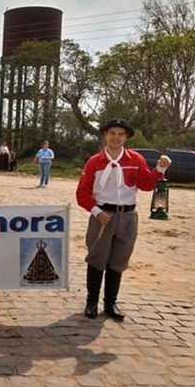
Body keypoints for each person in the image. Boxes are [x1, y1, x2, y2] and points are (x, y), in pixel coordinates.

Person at [76, 118, 172, 321]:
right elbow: (82, 193)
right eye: (112, 133)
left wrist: (160, 170)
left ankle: (111, 303)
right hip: (102, 215)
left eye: (120, 134)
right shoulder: (95, 162)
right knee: (96, 258)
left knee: (119, 260)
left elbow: (145, 184)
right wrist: (96, 211)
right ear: (105, 135)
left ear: (126, 137)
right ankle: (91, 301)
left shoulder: (135, 159)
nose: (116, 138)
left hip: (128, 216)